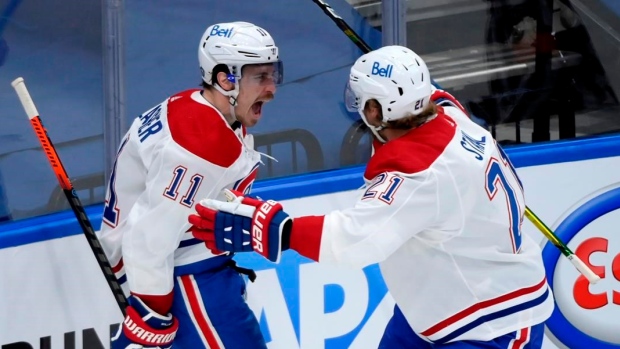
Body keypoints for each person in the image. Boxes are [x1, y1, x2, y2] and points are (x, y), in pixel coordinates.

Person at [188, 45, 554, 348]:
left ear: (375, 110)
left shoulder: (418, 173)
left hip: (492, 321)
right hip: (432, 310)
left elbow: (352, 240)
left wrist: (278, 229)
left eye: (362, 101)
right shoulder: (450, 115)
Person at [97, 21, 283, 349]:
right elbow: (148, 239)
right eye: (260, 77)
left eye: (273, 74)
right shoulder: (201, 144)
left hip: (190, 273)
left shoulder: (196, 106)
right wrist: (151, 315)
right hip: (188, 281)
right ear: (226, 78)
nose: (272, 88)